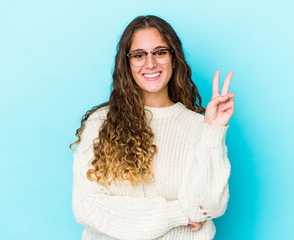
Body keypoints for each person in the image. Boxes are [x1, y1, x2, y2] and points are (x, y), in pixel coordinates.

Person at [70, 15, 235, 240]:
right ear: (126, 64)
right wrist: (178, 213)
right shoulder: (100, 124)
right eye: (139, 55)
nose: (150, 63)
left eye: (160, 52)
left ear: (174, 59)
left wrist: (213, 131)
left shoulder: (201, 128)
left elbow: (204, 207)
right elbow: (87, 207)